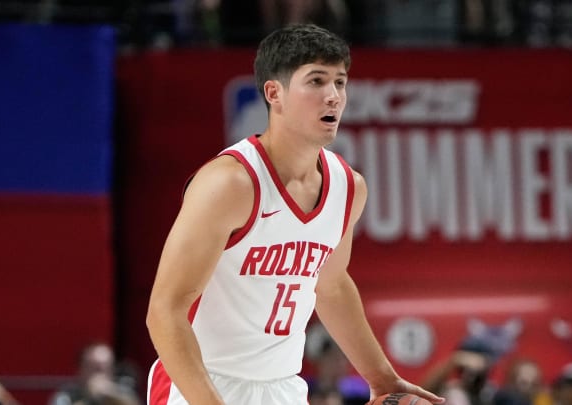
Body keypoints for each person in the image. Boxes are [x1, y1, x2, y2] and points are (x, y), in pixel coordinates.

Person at [144, 22, 446, 405]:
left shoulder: (348, 187)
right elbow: (164, 312)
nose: (334, 96)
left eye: (340, 82)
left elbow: (331, 285)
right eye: (317, 81)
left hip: (284, 387)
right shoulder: (230, 184)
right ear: (275, 93)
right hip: (200, 385)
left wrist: (381, 377)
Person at [48, 342, 141, 405]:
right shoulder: (67, 396)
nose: (99, 375)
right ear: (80, 370)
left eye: (105, 368)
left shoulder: (123, 393)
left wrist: (109, 393)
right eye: (94, 368)